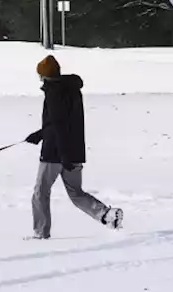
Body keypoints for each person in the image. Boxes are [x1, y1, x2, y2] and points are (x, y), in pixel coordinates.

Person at [25, 55, 122, 240]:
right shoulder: (72, 88)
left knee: (40, 192)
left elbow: (59, 124)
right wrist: (40, 134)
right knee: (76, 193)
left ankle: (40, 233)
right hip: (74, 150)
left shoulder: (53, 91)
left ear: (44, 76)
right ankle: (106, 215)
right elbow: (61, 121)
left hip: (55, 153)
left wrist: (62, 154)